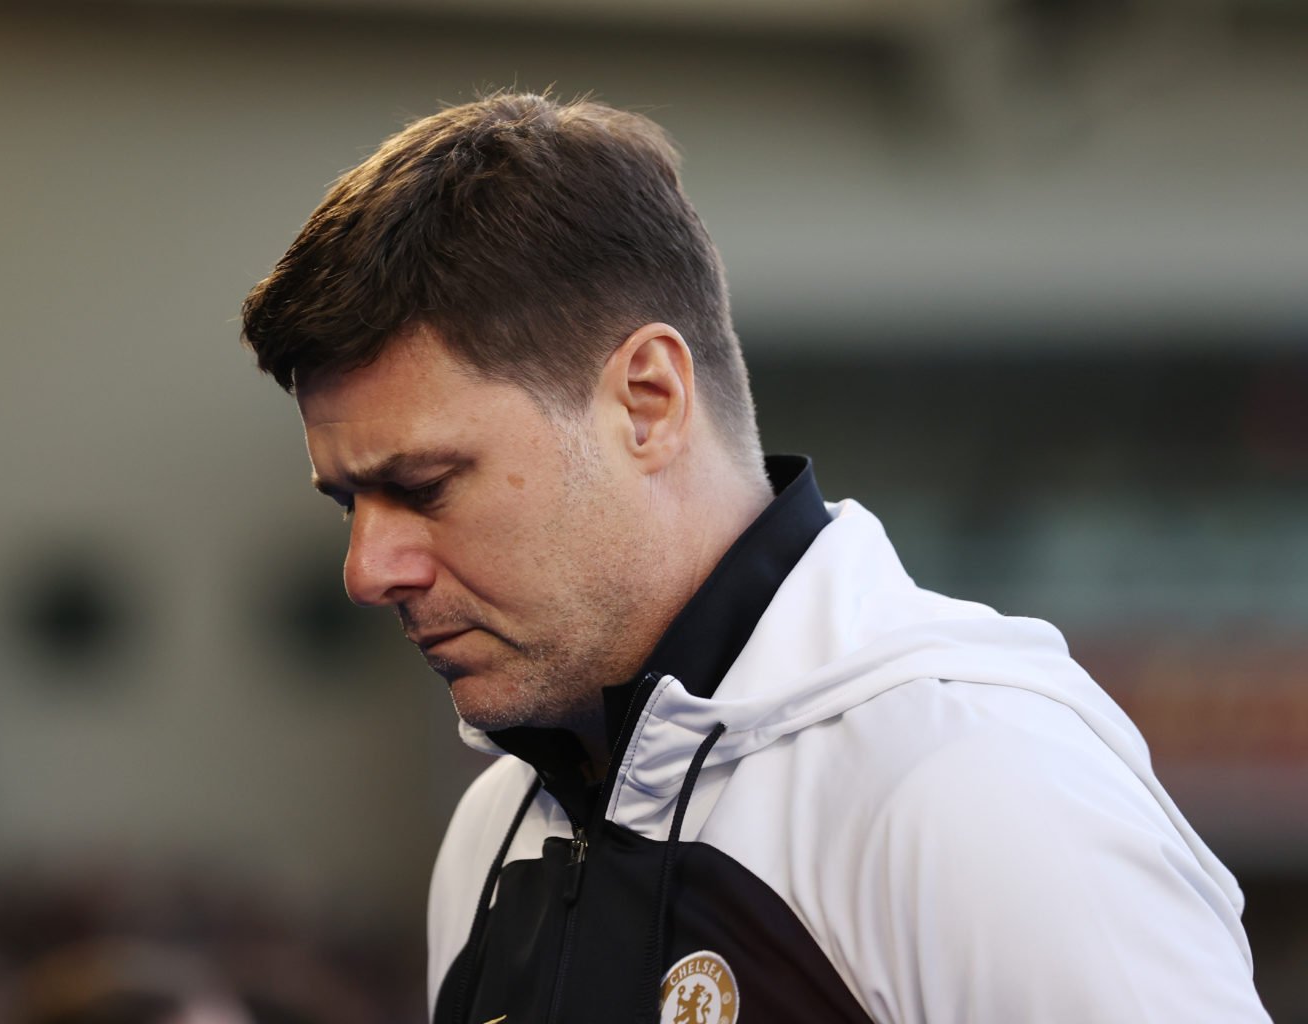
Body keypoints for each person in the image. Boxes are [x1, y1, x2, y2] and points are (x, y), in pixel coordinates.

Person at [237, 92, 1269, 1023]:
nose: (368, 570)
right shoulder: (497, 835)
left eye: (422, 487)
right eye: (349, 504)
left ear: (648, 400)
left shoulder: (972, 788)